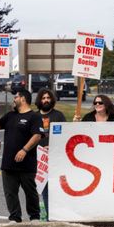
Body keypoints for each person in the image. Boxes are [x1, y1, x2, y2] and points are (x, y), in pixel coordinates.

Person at [0, 89, 42, 223]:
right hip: (9, 163)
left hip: (27, 163)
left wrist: (24, 150)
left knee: (30, 192)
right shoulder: (10, 115)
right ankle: (14, 217)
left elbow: (37, 135)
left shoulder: (34, 117)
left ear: (23, 99)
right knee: (10, 193)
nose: (14, 99)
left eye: (16, 97)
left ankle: (34, 216)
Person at [35, 88, 66, 219]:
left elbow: (65, 136)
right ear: (39, 100)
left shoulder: (59, 116)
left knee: (56, 190)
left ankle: (57, 216)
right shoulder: (34, 116)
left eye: (48, 98)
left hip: (56, 158)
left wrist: (53, 147)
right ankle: (44, 217)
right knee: (42, 190)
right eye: (43, 98)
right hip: (39, 159)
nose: (46, 100)